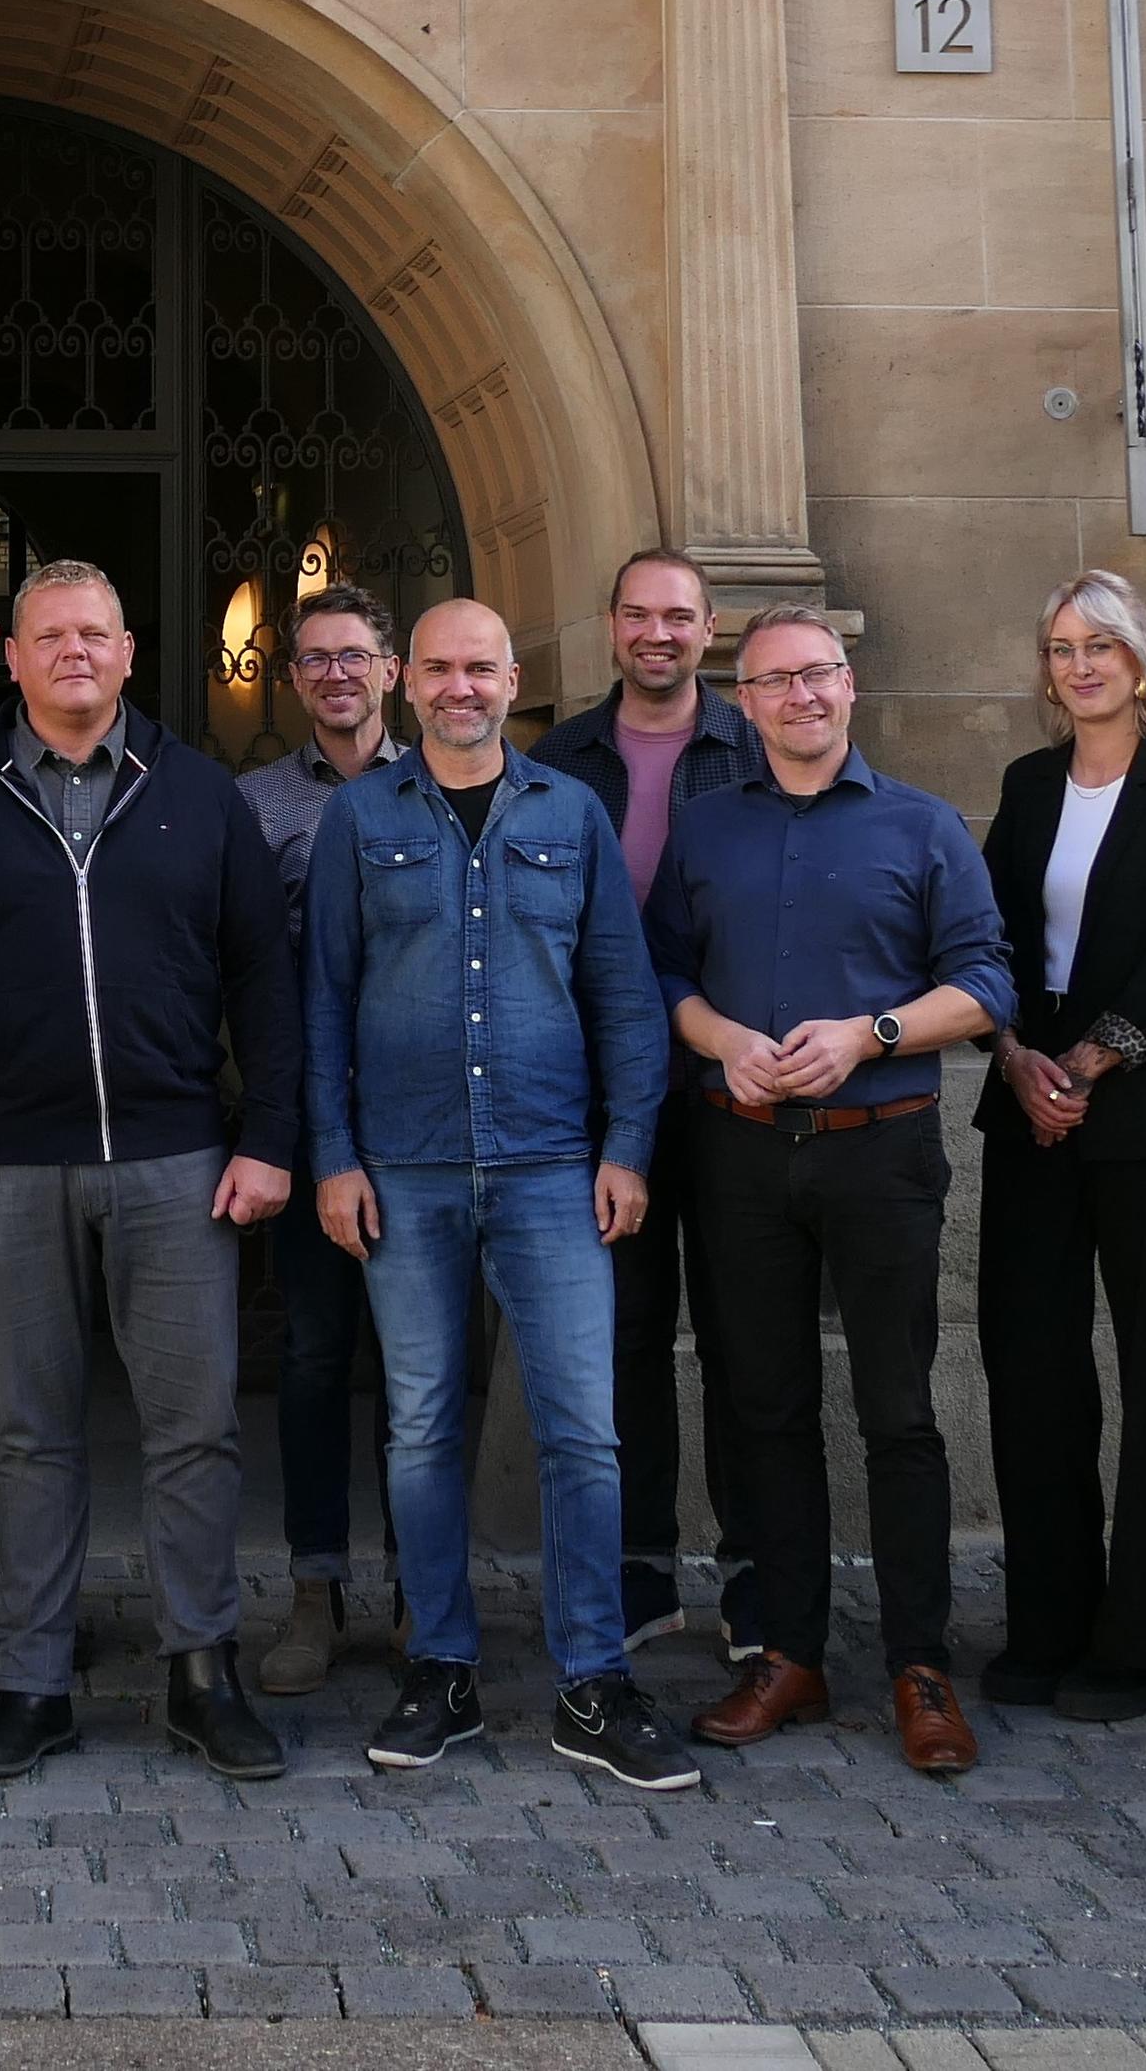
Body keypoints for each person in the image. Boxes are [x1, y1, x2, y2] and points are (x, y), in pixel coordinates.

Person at [0, 559, 303, 1782]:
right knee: (30, 1433)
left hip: (176, 1162)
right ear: (12, 656)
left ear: (124, 651)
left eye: (94, 634)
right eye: (49, 635)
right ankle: (31, 1679)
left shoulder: (201, 798)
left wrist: (268, 1138)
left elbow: (265, 982)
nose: (73, 653)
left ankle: (200, 1667)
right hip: (5, 1165)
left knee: (193, 1427)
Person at [303, 599, 697, 1790]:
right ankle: (444, 1669)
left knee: (584, 1429)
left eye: (482, 666)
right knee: (421, 1426)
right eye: (439, 667)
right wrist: (331, 1152)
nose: (461, 685)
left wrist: (627, 1145)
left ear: (512, 677)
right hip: (406, 1169)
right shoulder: (358, 819)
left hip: (549, 1168)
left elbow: (624, 995)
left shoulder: (571, 812)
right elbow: (318, 997)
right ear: (402, 681)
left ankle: (592, 1677)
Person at [646, 603, 1013, 1776]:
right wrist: (719, 1038)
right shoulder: (702, 832)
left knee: (898, 1411)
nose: (800, 696)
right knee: (762, 1410)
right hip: (742, 1154)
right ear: (740, 705)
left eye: (819, 675)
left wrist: (873, 1031)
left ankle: (919, 1661)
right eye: (773, 682)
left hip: (881, 1148)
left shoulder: (922, 825)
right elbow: (660, 971)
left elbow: (987, 979)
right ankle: (789, 1653)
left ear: (849, 687)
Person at [973, 572, 1146, 1724]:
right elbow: (985, 933)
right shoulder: (1028, 787)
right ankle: (1048, 1619)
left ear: (1139, 660)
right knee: (1031, 1368)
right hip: (1031, 1112)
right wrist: (1017, 1060)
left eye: (1100, 644)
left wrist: (1087, 1061)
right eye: (1059, 647)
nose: (1078, 665)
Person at [534, 548, 764, 1662]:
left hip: (734, 1087)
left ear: (709, 627)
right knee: (620, 1336)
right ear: (610, 624)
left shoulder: (755, 745)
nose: (659, 632)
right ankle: (639, 1572)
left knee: (740, 1331)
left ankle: (755, 1572)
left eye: (680, 615)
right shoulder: (561, 756)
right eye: (638, 613)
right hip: (595, 1096)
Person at [231, 584, 413, 1698]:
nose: (335, 674)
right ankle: (313, 1584)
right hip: (305, 1126)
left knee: (417, 1372)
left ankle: (413, 1585)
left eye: (354, 654)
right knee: (310, 1359)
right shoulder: (253, 807)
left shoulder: (442, 782)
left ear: (390, 666)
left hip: (425, 1125)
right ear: (291, 679)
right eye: (313, 659)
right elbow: (238, 974)